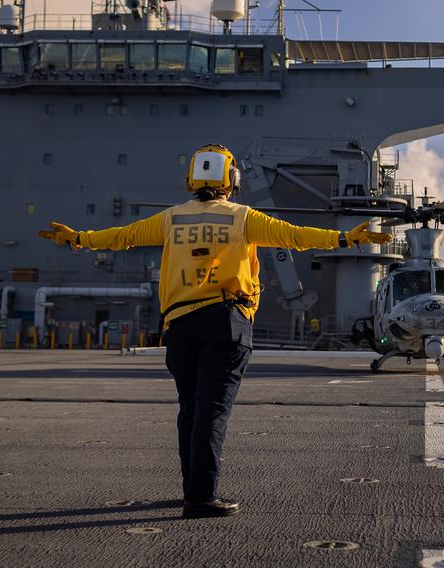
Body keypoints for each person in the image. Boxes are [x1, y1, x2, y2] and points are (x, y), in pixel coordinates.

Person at [37, 143, 391, 518]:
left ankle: (193, 489)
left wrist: (78, 238)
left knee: (190, 410)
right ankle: (201, 498)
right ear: (232, 180)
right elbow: (295, 236)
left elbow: (122, 236)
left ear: (191, 179)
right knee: (212, 411)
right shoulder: (241, 217)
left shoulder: (171, 218)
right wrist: (347, 238)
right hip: (225, 323)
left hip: (179, 324)